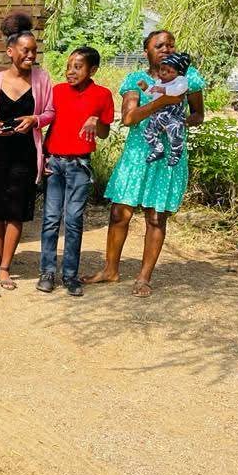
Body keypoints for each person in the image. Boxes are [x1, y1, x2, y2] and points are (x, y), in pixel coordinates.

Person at [83, 30, 205, 297]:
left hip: (168, 158)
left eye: (171, 45)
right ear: (146, 51)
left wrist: (180, 122)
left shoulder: (188, 78)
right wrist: (162, 102)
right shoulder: (136, 80)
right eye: (159, 45)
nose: (166, 49)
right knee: (119, 214)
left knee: (156, 217)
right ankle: (110, 270)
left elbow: (198, 114)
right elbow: (128, 119)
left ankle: (144, 278)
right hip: (137, 156)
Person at [0, 13, 54, 290]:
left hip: (25, 154)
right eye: (25, 50)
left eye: (34, 51)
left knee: (15, 212)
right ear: (10, 51)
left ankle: (4, 268)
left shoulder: (42, 79)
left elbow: (50, 112)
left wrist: (35, 120)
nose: (31, 55)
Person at [37, 46, 114, 297]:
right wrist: (43, 157)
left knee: (73, 220)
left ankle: (70, 275)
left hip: (79, 166)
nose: (70, 71)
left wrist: (96, 120)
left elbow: (104, 133)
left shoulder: (102, 95)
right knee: (50, 219)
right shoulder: (57, 91)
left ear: (93, 70)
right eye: (69, 66)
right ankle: (47, 272)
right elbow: (48, 123)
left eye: (78, 67)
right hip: (54, 163)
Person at [141, 52, 191, 165]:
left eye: (169, 71)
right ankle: (158, 149)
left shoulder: (181, 81)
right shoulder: (159, 82)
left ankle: (176, 153)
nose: (164, 73)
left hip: (173, 114)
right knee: (149, 132)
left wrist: (163, 90)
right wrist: (146, 88)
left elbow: (178, 90)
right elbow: (154, 94)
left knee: (175, 134)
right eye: (162, 69)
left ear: (179, 73)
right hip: (159, 113)